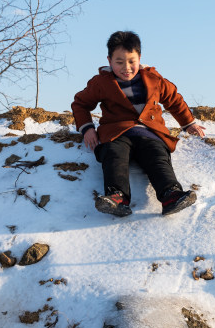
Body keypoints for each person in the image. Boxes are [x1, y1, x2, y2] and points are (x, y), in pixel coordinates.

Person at [72, 30, 205, 217]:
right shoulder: (101, 82)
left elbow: (174, 100)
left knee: (157, 156)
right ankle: (116, 197)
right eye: (119, 62)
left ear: (139, 58)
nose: (126, 67)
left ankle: (171, 194)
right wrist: (87, 128)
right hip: (117, 133)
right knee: (114, 156)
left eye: (131, 61)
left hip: (149, 133)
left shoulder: (153, 79)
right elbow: (80, 104)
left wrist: (188, 123)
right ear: (109, 60)